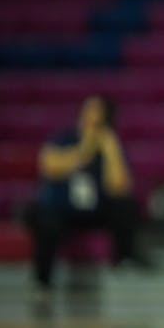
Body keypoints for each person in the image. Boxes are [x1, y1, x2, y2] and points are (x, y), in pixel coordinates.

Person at [22, 95, 150, 294]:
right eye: (88, 110)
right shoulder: (65, 137)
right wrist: (82, 152)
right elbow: (49, 165)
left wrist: (110, 148)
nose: (91, 117)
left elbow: (119, 186)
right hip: (62, 209)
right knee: (44, 220)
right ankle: (42, 282)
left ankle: (124, 261)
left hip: (94, 209)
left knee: (126, 206)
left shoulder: (110, 144)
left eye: (97, 112)